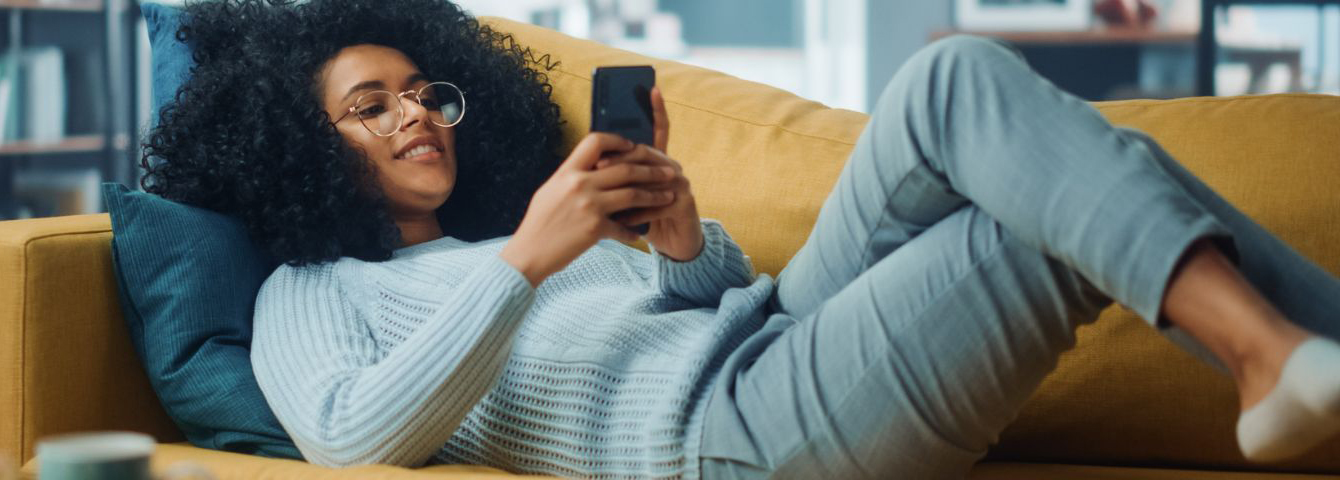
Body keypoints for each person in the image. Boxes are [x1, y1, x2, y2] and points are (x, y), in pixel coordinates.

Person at [140, 0, 1340, 477]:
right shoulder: (314, 291)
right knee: (1018, 240)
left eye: (425, 93)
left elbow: (710, 304)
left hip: (763, 335)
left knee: (952, 80)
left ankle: (1283, 358)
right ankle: (1275, 355)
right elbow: (351, 441)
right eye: (372, 105)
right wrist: (528, 259)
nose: (415, 112)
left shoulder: (521, 225)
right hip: (724, 436)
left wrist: (677, 239)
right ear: (297, 154)